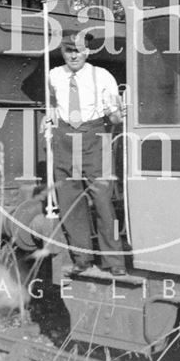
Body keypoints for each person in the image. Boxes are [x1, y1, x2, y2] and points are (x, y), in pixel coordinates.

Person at [47, 29, 126, 276]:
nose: (74, 55)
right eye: (69, 50)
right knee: (70, 202)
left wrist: (115, 114)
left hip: (93, 138)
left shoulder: (102, 76)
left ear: (88, 50)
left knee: (103, 202)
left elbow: (115, 111)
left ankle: (114, 262)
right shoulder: (53, 76)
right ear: (62, 51)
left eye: (79, 50)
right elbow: (51, 104)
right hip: (64, 140)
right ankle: (82, 258)